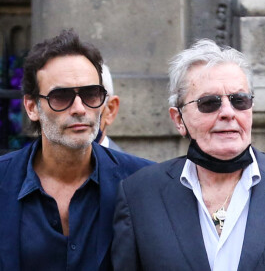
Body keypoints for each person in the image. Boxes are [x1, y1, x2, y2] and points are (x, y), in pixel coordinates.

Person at [112, 39, 265, 271]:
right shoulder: (139, 195)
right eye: (209, 103)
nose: (228, 113)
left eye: (239, 100)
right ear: (179, 119)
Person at [0, 29, 153, 271]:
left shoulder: (144, 182)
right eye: (61, 97)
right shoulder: (4, 180)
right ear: (31, 107)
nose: (80, 108)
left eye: (91, 94)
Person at [95, 64, 123, 152]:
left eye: (90, 95)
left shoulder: (134, 166)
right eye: (60, 97)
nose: (78, 108)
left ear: (110, 109)